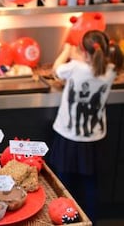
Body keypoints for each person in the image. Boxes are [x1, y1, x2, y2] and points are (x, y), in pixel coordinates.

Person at [47, 30, 123, 224]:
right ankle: (91, 221)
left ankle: (66, 221)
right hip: (94, 140)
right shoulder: (112, 70)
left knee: (63, 184)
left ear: (84, 52)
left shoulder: (75, 67)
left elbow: (55, 70)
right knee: (91, 184)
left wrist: (66, 50)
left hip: (68, 139)